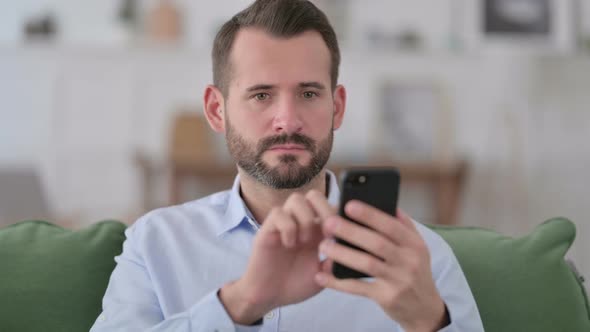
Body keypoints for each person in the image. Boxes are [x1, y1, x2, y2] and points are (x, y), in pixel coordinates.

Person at [91, 0, 484, 331]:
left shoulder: (420, 259)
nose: (288, 120)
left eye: (309, 93)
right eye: (261, 95)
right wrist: (241, 303)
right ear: (216, 110)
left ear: (337, 107)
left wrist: (431, 322)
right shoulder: (156, 244)